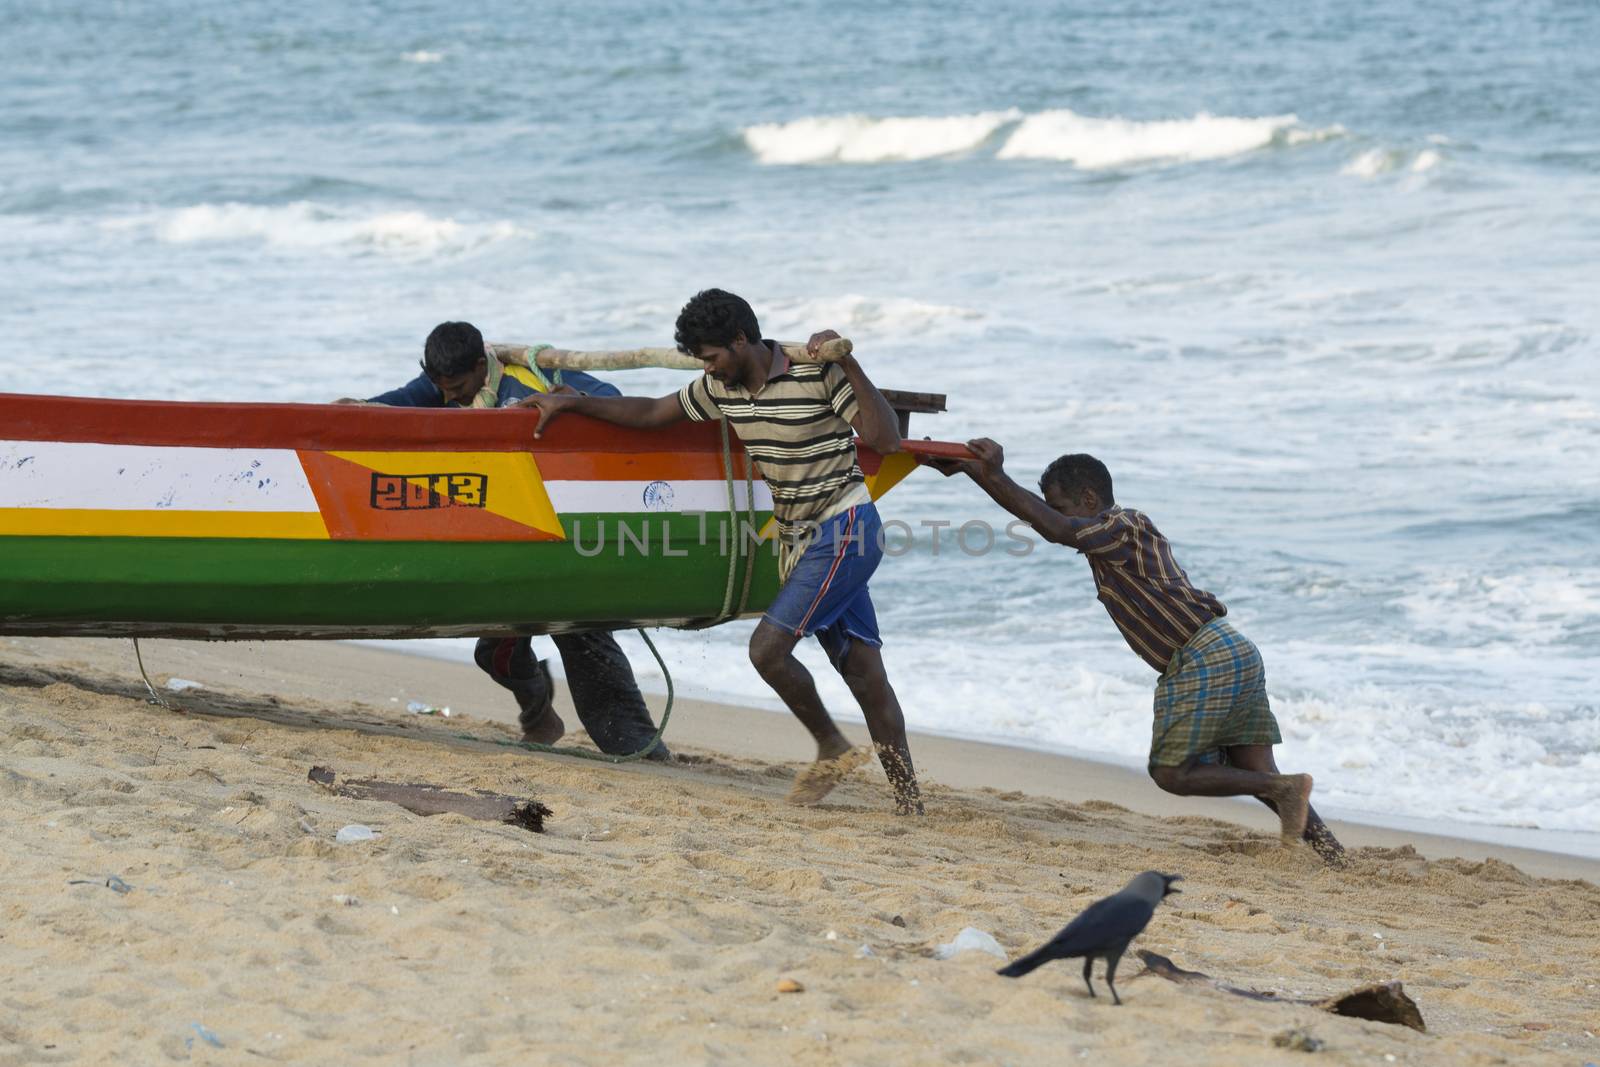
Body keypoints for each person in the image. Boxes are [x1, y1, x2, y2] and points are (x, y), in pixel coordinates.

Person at [517, 289, 923, 814]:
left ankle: (833, 747)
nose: (708, 368)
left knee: (766, 651)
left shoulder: (817, 373)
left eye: (712, 356)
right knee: (866, 674)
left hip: (845, 527)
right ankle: (910, 804)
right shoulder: (721, 387)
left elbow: (885, 440)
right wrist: (574, 401)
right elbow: (653, 412)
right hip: (798, 539)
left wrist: (849, 362)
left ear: (740, 339)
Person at [943, 440, 1344, 863]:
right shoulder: (1106, 540)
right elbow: (1048, 523)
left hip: (1205, 654)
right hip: (1231, 647)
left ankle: (1287, 793)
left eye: (1061, 506)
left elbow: (1056, 529)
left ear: (1090, 499)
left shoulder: (1125, 525)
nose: (1056, 517)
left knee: (1172, 772)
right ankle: (1333, 854)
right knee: (1260, 771)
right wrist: (979, 475)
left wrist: (996, 476)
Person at [347, 321, 670, 761]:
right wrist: (353, 411)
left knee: (581, 637)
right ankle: (541, 717)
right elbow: (393, 408)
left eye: (458, 388)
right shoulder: (442, 383)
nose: (448, 399)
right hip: (506, 542)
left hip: (567, 541)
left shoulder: (536, 377)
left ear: (482, 366)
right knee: (494, 653)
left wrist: (571, 403)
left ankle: (644, 753)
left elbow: (612, 401)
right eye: (440, 388)